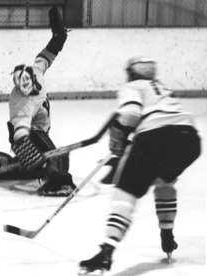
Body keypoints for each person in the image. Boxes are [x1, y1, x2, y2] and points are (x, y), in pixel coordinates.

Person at [78, 57, 201, 274]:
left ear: (132, 74)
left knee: (125, 193)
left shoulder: (132, 86)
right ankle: (167, 236)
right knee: (165, 180)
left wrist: (119, 135)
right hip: (189, 140)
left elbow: (131, 114)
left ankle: (106, 253)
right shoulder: (161, 87)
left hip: (155, 136)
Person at [0, 7, 76, 196]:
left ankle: (21, 166)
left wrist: (59, 34)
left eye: (28, 82)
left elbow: (51, 50)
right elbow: (20, 132)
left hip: (39, 132)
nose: (26, 87)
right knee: (56, 160)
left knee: (56, 160)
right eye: (21, 85)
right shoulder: (20, 101)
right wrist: (35, 157)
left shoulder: (37, 71)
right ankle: (54, 181)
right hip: (29, 137)